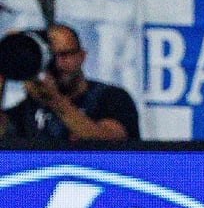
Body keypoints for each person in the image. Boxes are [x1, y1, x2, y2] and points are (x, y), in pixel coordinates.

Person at [0, 24, 140, 141]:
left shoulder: (111, 98)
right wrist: (6, 61)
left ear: (82, 56)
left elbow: (111, 144)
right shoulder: (30, 108)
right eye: (51, 57)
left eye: (65, 55)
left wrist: (55, 100)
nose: (58, 64)